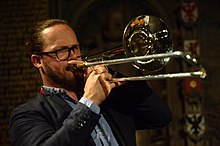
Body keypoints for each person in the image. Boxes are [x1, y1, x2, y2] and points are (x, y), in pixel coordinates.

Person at [9, 19, 172, 146]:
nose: (73, 56)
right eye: (61, 51)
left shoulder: (109, 97)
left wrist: (113, 75)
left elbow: (161, 116)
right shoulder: (27, 114)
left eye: (75, 48)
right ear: (37, 61)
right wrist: (89, 103)